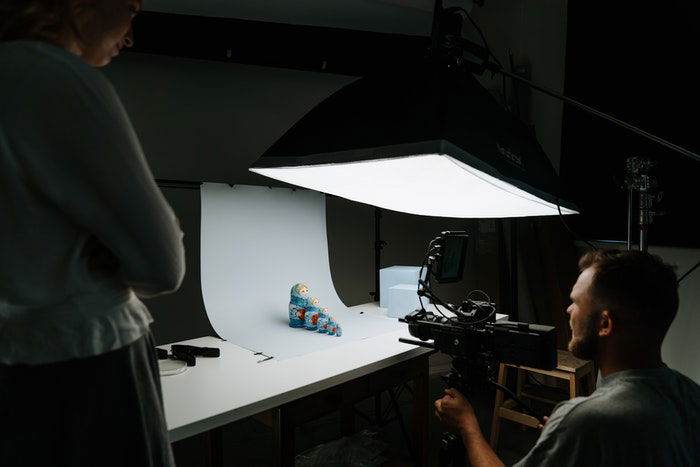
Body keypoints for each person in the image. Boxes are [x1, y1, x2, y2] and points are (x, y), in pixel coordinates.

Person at [0, 1, 185, 466]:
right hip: (88, 356)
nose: (130, 36)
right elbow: (162, 266)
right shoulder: (53, 75)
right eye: (132, 9)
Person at [435, 250, 700, 466]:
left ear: (604, 324)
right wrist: (569, 438)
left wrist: (467, 426)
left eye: (576, 302)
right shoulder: (691, 396)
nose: (568, 309)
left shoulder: (586, 419)